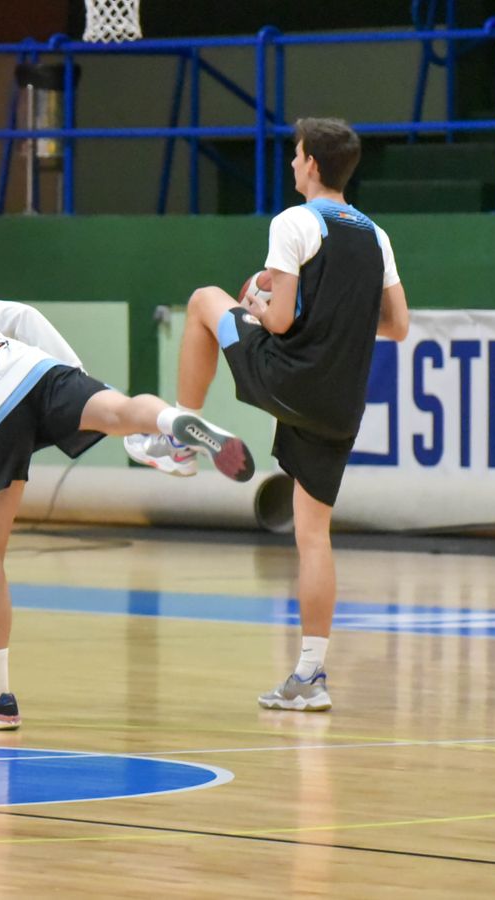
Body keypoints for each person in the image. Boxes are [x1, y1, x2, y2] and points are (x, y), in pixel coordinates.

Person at [0, 295, 253, 730]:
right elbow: (23, 316)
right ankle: (173, 425)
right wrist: (75, 375)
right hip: (38, 370)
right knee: (120, 412)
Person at [156, 117, 409, 712]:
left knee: (202, 302)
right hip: (341, 404)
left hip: (291, 377)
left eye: (296, 156)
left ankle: (181, 436)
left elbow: (283, 321)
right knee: (313, 536)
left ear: (313, 165)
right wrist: (333, 318)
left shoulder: (293, 222)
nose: (292, 164)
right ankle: (309, 679)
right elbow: (398, 325)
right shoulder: (376, 234)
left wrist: (256, 302)